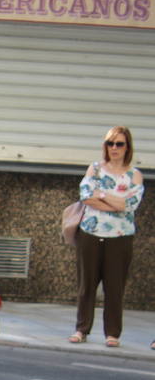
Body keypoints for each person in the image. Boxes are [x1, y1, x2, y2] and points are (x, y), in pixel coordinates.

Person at [69, 126, 143, 348]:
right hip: (91, 233)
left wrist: (101, 195)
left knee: (114, 286)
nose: (114, 148)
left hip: (120, 237)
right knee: (86, 285)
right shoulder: (95, 169)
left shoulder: (134, 175)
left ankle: (112, 333)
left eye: (119, 144)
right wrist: (113, 200)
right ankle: (82, 329)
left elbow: (130, 205)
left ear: (127, 147)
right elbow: (86, 196)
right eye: (110, 144)